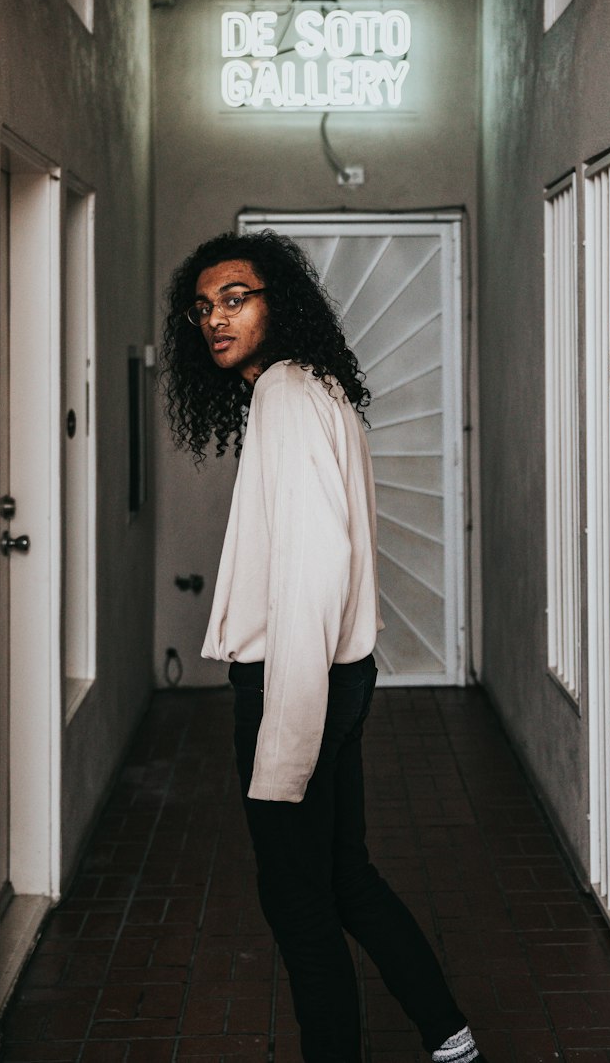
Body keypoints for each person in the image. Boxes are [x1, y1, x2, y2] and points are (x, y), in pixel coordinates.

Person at [161, 231, 484, 1063]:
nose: (215, 319)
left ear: (281, 302)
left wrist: (285, 735)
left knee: (300, 906)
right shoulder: (311, 387)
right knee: (345, 878)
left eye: (237, 298)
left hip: (294, 681)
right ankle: (450, 1039)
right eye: (203, 308)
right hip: (336, 674)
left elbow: (311, 572)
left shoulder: (285, 397)